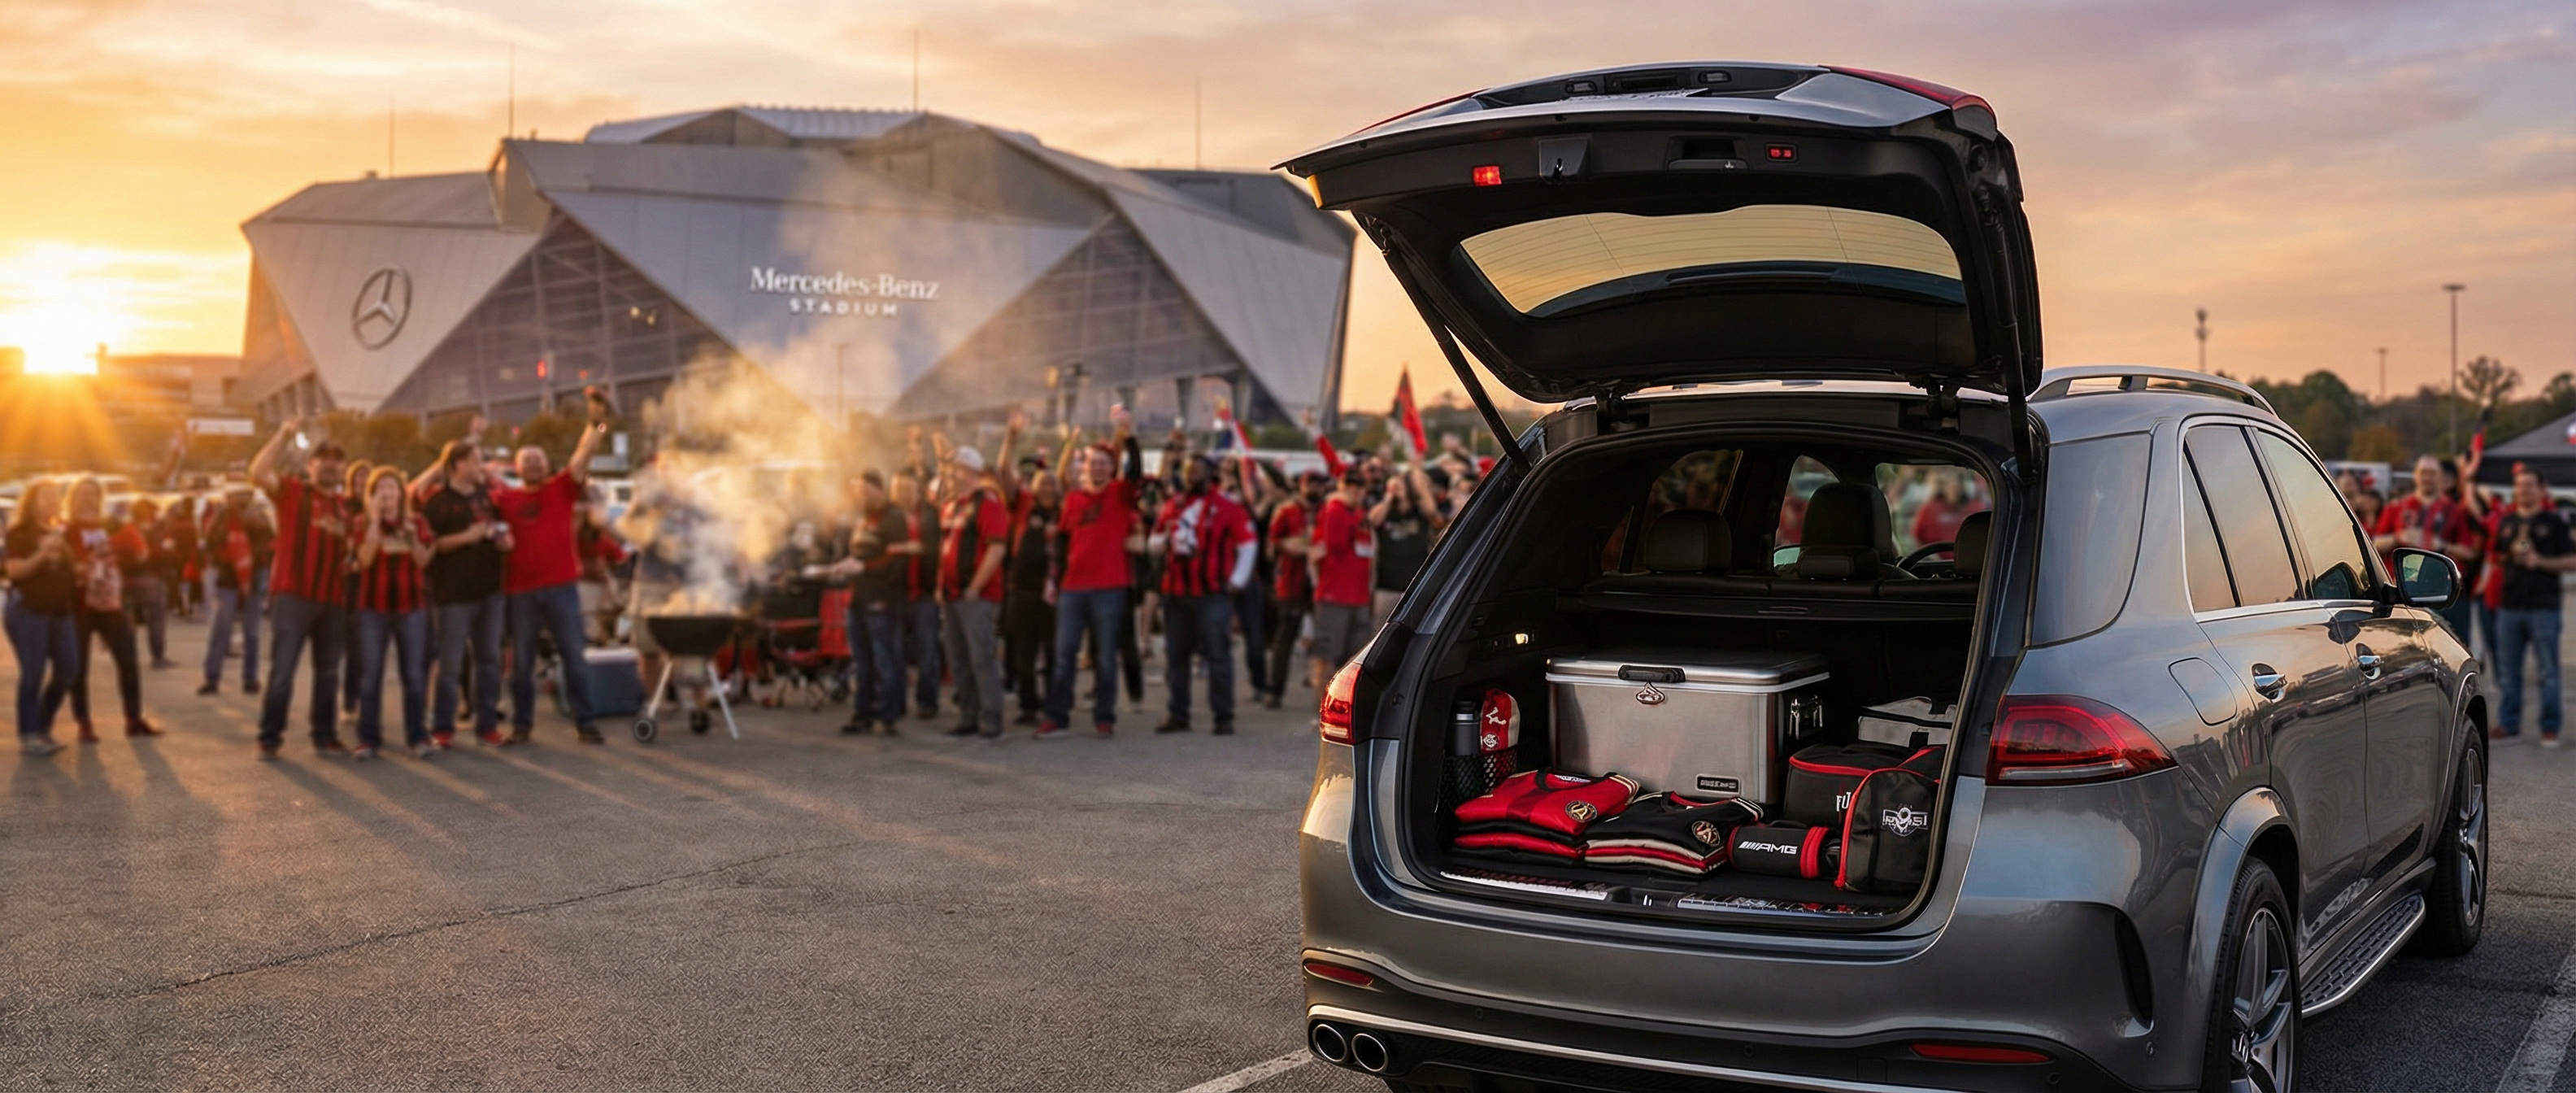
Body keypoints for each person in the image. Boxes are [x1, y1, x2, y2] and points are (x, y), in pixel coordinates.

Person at [490, 424, 611, 745]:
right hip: (520, 593)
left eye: (537, 459)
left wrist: (597, 424)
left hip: (561, 588)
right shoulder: (504, 497)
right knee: (522, 663)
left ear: (547, 465)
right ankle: (522, 727)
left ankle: (586, 723)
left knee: (574, 656)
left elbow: (583, 456)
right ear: (516, 467)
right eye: (526, 460)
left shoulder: (561, 488)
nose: (532, 464)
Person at [248, 419, 354, 760]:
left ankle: (324, 734)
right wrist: (283, 434)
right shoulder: (293, 492)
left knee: (328, 673)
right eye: (324, 458)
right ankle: (270, 735)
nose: (331, 464)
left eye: (337, 460)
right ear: (311, 465)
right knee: (283, 671)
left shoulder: (345, 507)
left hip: (332, 599)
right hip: (293, 596)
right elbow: (258, 472)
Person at [1041, 412, 1142, 740]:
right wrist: (1053, 580)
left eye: (1104, 462)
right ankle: (1057, 715)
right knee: (1064, 655)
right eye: (1092, 462)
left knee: (1105, 657)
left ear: (1111, 467)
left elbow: (1136, 470)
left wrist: (1126, 437)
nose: (1097, 467)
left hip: (1110, 588)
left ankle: (1104, 716)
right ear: (1083, 467)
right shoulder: (1073, 499)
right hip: (1073, 588)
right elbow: (1063, 543)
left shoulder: (1121, 494)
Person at [1149, 454, 1257, 735]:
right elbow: (1155, 539)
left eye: (1196, 471)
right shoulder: (1172, 506)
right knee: (1176, 657)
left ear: (1209, 474)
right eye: (1187, 471)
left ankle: (1223, 717)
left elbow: (1248, 542)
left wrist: (1237, 580)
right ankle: (1178, 713)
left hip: (1211, 594)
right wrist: (1160, 543)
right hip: (1175, 592)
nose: (1191, 477)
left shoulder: (1226, 507)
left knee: (1218, 656)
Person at [420, 438, 512, 748]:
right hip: (452, 595)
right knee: (450, 663)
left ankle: (486, 724)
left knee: (489, 660)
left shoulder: (488, 498)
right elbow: (432, 545)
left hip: (490, 591)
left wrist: (503, 541)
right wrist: (466, 536)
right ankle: (443, 726)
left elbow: (503, 529)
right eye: (475, 460)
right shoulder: (437, 501)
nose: (481, 466)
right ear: (458, 464)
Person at [61, 477, 159, 742]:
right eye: (82, 494)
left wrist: (121, 556)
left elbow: (138, 555)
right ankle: (84, 723)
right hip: (79, 605)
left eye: (93, 494)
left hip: (114, 603)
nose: (88, 499)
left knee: (128, 660)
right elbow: (60, 568)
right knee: (78, 666)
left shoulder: (113, 526)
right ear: (72, 499)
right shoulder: (65, 531)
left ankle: (133, 719)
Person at [350, 467, 435, 759]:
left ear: (401, 493)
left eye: (392, 487)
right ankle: (369, 739)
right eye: (381, 488)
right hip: (373, 608)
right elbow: (364, 560)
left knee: (413, 674)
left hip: (411, 607)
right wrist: (375, 521)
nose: (387, 493)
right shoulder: (362, 522)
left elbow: (424, 561)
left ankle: (417, 736)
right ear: (372, 495)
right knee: (370, 675)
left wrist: (412, 538)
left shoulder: (417, 522)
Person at [2490, 465, 2574, 746]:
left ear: (2541, 489)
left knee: (2548, 670)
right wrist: (2510, 556)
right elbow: (2497, 556)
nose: (2523, 490)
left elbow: (2572, 560)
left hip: (2543, 607)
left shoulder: (2553, 522)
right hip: (2509, 606)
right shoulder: (2508, 521)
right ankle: (2508, 723)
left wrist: (2541, 562)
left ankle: (2549, 727)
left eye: (2529, 485)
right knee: (2508, 671)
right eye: (2519, 485)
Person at [935, 446, 1012, 739]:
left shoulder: (988, 504)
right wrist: (940, 585)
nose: (950, 475)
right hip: (954, 594)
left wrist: (975, 587)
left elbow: (996, 549)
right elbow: (946, 550)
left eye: (955, 469)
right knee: (958, 659)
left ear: (968, 471)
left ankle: (991, 717)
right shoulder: (952, 506)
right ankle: (968, 715)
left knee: (981, 658)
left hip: (977, 596)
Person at [6, 481, 78, 755]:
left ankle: (42, 725)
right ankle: (29, 735)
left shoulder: (61, 532)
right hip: (29, 611)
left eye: (54, 496)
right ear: (32, 502)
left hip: (60, 610)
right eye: (44, 496)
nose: (51, 501)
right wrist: (42, 553)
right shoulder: (20, 533)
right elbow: (14, 572)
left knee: (69, 668)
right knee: (34, 671)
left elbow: (69, 572)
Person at [836, 471, 909, 735]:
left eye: (867, 490)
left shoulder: (893, 517)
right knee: (862, 659)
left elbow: (897, 560)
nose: (862, 496)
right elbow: (857, 551)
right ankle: (863, 711)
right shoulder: (862, 519)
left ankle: (889, 715)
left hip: (882, 598)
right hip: (858, 597)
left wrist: (864, 567)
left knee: (884, 658)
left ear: (880, 489)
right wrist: (846, 564)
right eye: (859, 491)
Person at [2374, 455, 2478, 638]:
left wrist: (2443, 546)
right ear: (2415, 476)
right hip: (2405, 595)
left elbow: (2470, 553)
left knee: (2453, 650)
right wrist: (2398, 537)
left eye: (2432, 473)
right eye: (2423, 473)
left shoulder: (2455, 511)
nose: (2427, 478)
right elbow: (2375, 545)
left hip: (2445, 597)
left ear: (2441, 478)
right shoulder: (2397, 507)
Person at [198, 485, 273, 697]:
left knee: (252, 631)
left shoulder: (259, 516)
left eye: (246, 495)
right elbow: (211, 542)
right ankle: (212, 678)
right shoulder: (222, 518)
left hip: (255, 576)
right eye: (238, 495)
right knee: (222, 629)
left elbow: (271, 543)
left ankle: (250, 678)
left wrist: (250, 554)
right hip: (228, 578)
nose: (242, 500)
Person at [1262, 470, 1329, 708]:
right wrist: (1297, 546)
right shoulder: (1287, 510)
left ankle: (1321, 688)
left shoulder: (1326, 510)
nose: (1316, 488)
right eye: (1312, 483)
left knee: (1323, 637)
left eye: (1320, 483)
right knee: (1285, 638)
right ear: (1301, 484)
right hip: (1292, 581)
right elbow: (1273, 545)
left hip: (1320, 582)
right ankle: (1275, 690)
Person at [1308, 465, 1377, 689]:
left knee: (1356, 662)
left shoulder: (1359, 514)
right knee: (1327, 658)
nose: (1354, 491)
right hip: (1335, 597)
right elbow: (1336, 543)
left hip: (1359, 597)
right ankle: (1318, 714)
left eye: (1359, 487)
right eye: (1349, 486)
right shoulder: (1335, 510)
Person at [890, 470, 942, 721]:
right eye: (898, 488)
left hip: (925, 593)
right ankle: (896, 703)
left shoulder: (931, 514)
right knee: (894, 652)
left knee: (928, 650)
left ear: (917, 489)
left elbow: (939, 547)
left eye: (907, 488)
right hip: (896, 593)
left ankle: (927, 701)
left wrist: (922, 550)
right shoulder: (887, 516)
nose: (903, 493)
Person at [1369, 463, 1446, 627]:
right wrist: (1389, 497)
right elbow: (1373, 521)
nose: (1398, 488)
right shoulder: (1386, 512)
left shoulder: (1420, 512)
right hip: (1386, 588)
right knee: (1378, 634)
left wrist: (1418, 483)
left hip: (1414, 589)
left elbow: (1433, 513)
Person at [124, 497, 175, 670]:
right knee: (156, 620)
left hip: (127, 582)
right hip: (152, 579)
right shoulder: (154, 531)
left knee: (129, 622)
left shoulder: (128, 529)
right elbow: (161, 552)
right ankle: (158, 657)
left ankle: (129, 657)